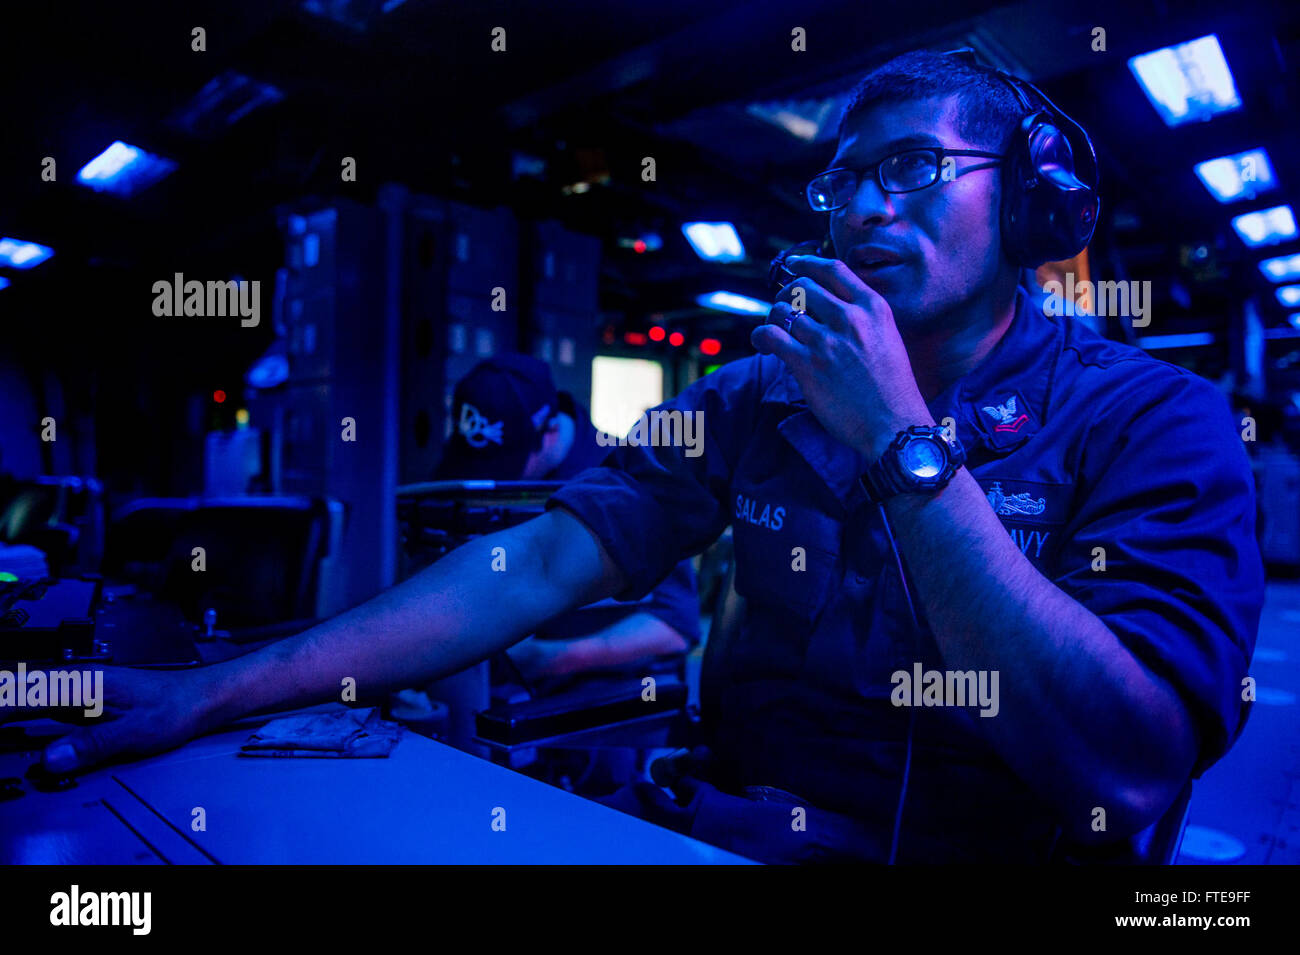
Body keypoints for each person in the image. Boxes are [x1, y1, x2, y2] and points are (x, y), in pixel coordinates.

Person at [12, 50, 1263, 863]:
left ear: (1034, 206)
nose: (867, 209)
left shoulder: (1157, 418)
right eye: (842, 187)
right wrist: (214, 692)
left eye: (913, 169)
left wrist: (897, 441)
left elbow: (1133, 760)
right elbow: (542, 555)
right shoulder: (752, 395)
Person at [431, 353, 699, 687]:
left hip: (607, 711)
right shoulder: (474, 472)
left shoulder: (633, 483)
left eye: (504, 463)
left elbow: (674, 628)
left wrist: (550, 658)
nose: (490, 479)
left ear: (551, 431)